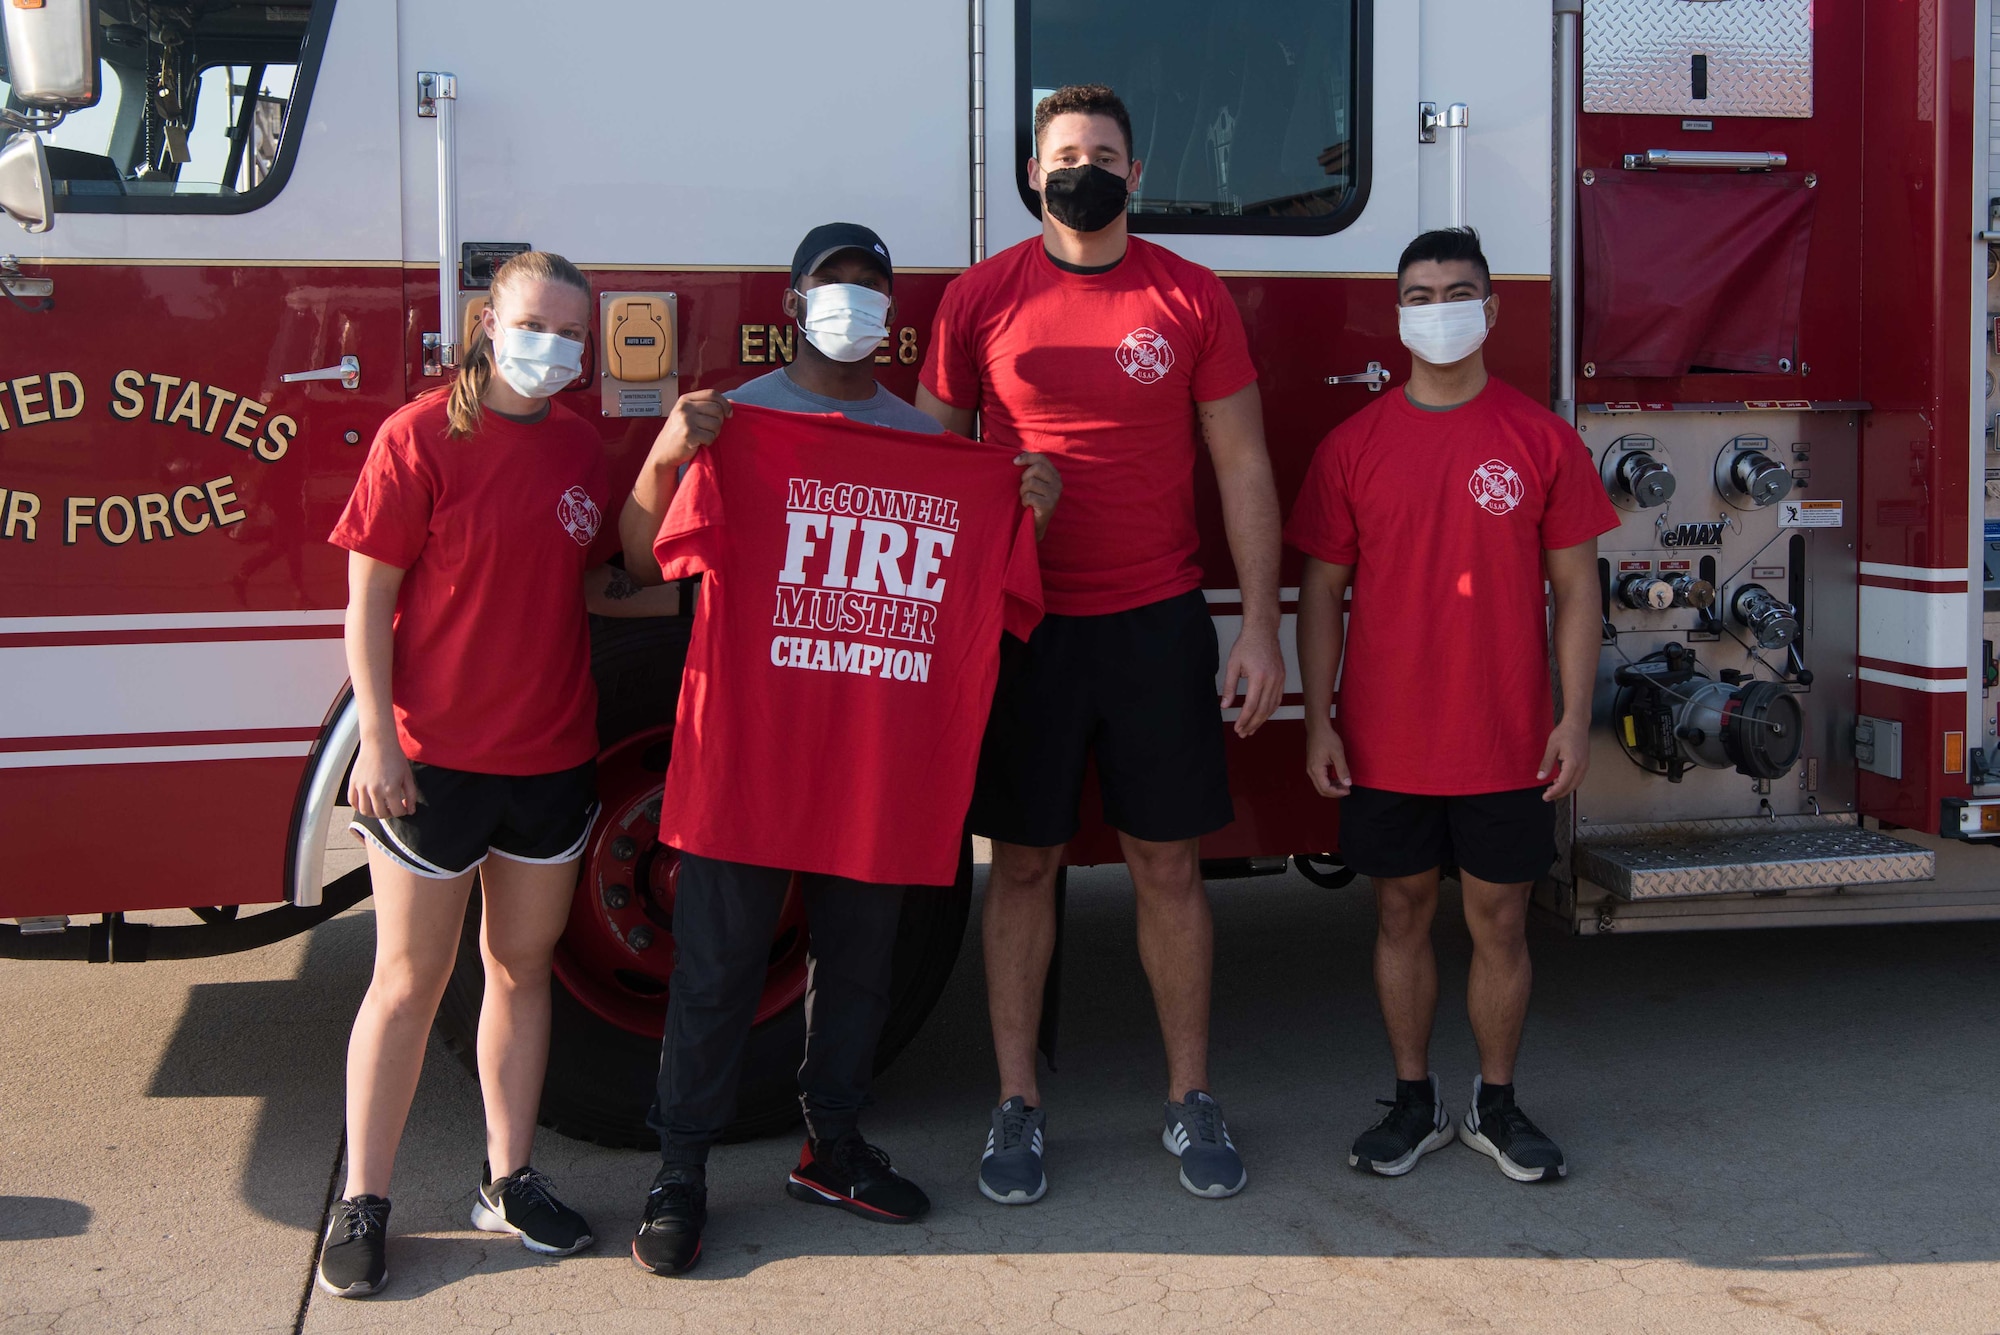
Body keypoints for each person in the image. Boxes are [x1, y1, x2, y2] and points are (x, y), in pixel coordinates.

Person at [616, 222, 1062, 1276]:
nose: (852, 303)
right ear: (791, 304)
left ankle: (836, 1145)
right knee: (717, 970)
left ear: (892, 316)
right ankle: (679, 1170)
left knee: (860, 965)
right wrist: (669, 448)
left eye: (871, 288)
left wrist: (1024, 514)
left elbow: (997, 604)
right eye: (833, 286)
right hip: (748, 751)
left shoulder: (932, 451)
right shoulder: (739, 425)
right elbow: (643, 559)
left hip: (877, 759)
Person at [916, 84, 1286, 1204]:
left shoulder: (1188, 295)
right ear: (1033, 175)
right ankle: (1016, 1107)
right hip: (1020, 630)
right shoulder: (976, 298)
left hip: (1154, 621)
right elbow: (929, 470)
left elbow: (1242, 466)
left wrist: (1259, 627)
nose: (1081, 168)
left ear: (1135, 175)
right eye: (1063, 153)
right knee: (1020, 867)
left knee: (1167, 868)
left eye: (1103, 154)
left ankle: (1188, 1099)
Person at [1289, 227, 1618, 1184]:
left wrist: (1571, 714)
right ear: (1398, 316)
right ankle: (1414, 1099)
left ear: (1493, 307)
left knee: (1501, 922)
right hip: (1387, 740)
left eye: (1459, 290)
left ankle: (1497, 1104)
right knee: (1399, 915)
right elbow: (1319, 594)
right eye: (1422, 295)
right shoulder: (1354, 446)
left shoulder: (1540, 439)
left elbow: (1577, 591)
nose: (1441, 309)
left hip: (1507, 736)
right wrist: (1318, 719)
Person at [318, 251, 615, 1298]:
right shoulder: (419, 436)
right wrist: (380, 747)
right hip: (431, 762)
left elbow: (596, 576)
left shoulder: (581, 448)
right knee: (406, 981)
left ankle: (508, 1177)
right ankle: (366, 1199)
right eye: (538, 323)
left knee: (520, 970)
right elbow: (366, 602)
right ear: (490, 322)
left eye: (574, 334)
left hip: (550, 757)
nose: (555, 347)